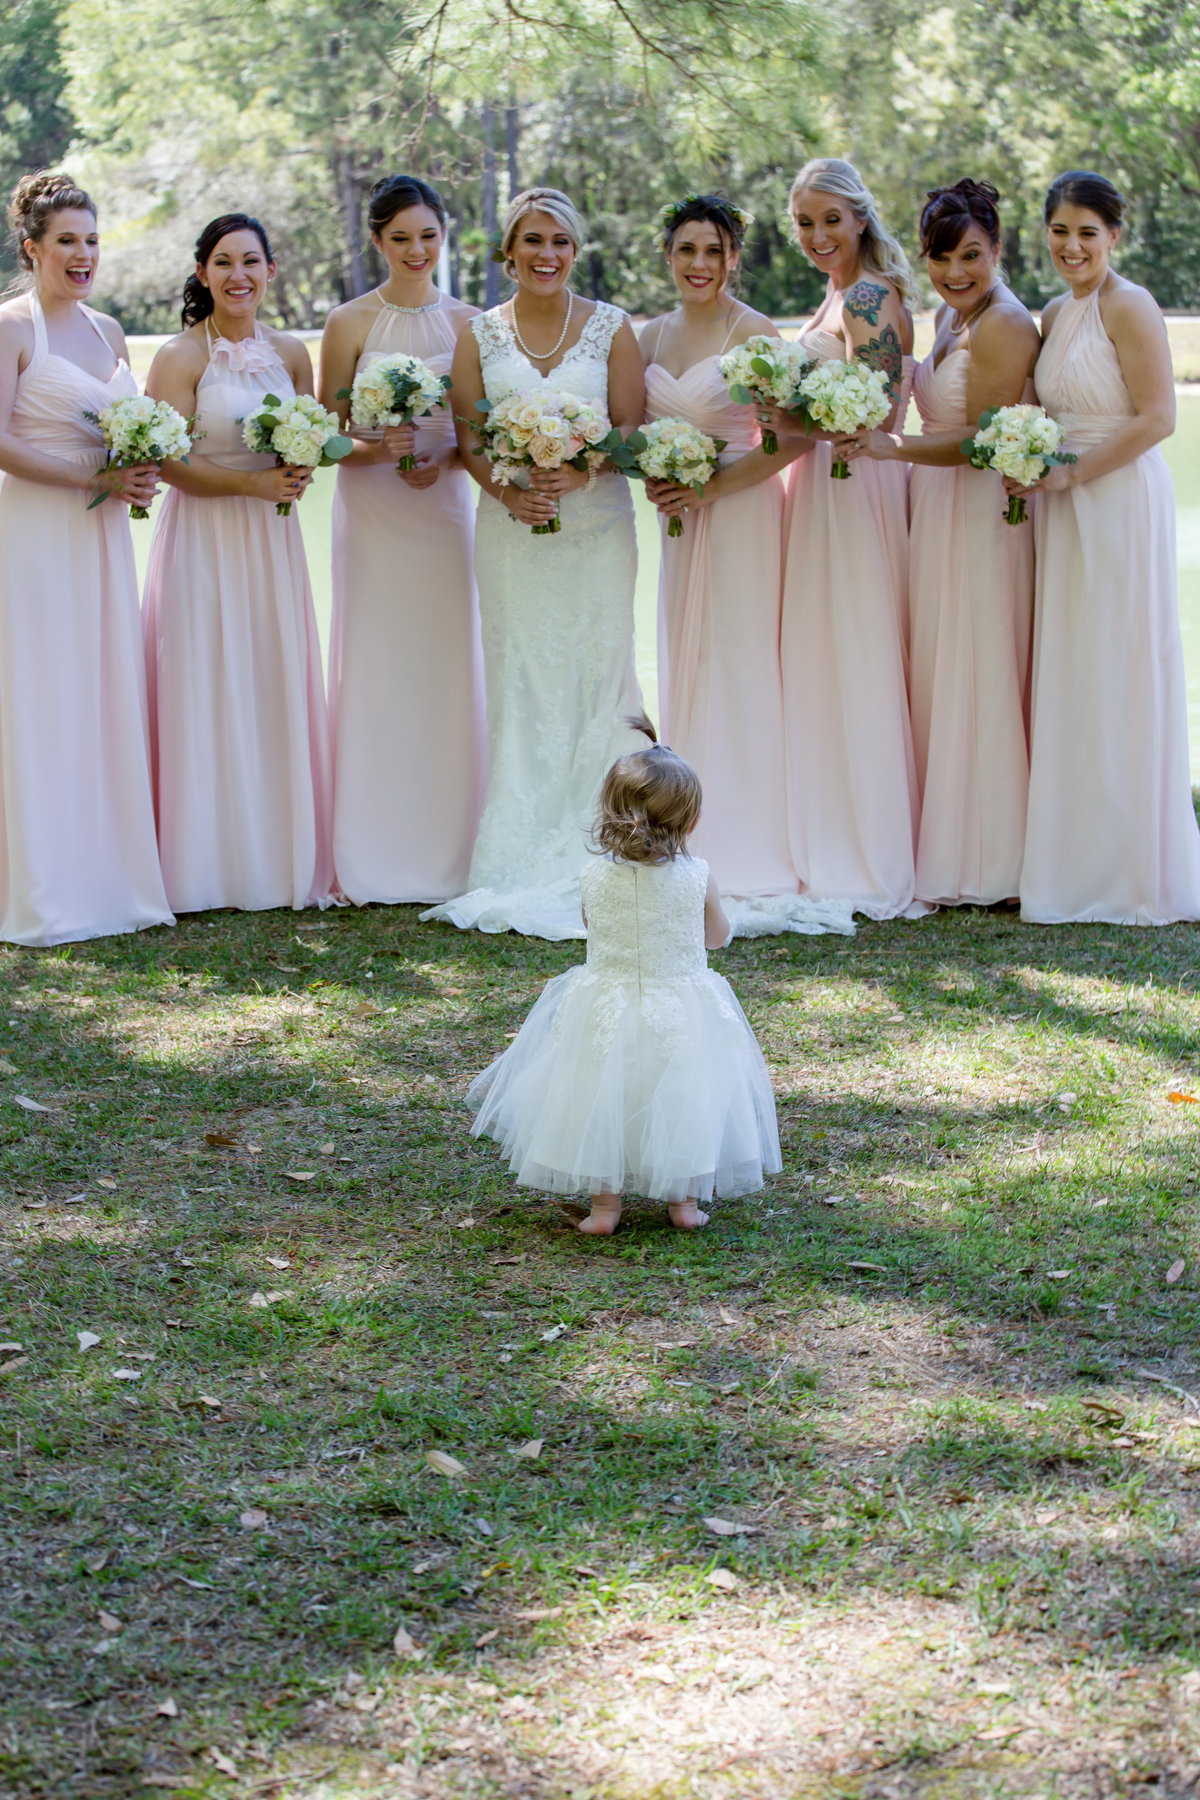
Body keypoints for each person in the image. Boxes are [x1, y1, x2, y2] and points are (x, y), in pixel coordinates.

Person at [421, 186, 645, 940]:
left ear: (575, 252)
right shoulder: (477, 335)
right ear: (508, 252)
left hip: (598, 533)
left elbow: (629, 434)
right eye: (533, 241)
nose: (546, 254)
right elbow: (470, 438)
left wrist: (581, 473)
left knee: (600, 676)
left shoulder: (612, 328)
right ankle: (520, 852)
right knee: (524, 680)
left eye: (560, 242)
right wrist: (510, 494)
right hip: (513, 536)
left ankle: (618, 844)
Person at [467, 718, 781, 1234]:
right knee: (684, 1095)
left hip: (606, 1006)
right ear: (689, 819)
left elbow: (595, 928)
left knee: (599, 1097)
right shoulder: (698, 876)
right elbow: (716, 936)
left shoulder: (593, 875)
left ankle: (604, 1210)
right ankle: (683, 1204)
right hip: (680, 1007)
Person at [639, 192, 853, 940]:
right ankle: (681, 828)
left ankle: (751, 840)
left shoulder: (756, 333)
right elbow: (628, 432)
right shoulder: (646, 337)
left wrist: (709, 487)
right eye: (686, 249)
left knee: (740, 663)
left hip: (740, 517)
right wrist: (658, 479)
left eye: (714, 250)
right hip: (679, 521)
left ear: (734, 258)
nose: (699, 264)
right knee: (688, 664)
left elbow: (792, 440)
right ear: (668, 256)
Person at [835, 178, 1039, 906]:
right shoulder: (957, 317)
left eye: (972, 256)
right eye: (942, 258)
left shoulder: (1006, 322)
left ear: (998, 248)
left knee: (980, 667)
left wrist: (892, 449)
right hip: (942, 513)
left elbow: (981, 438)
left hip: (982, 515)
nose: (956, 272)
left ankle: (994, 861)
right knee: (947, 667)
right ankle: (950, 840)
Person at [1010, 171, 1200, 924]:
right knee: (1074, 667)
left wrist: (1076, 474)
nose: (1072, 245)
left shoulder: (1131, 305)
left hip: (1116, 498)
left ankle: (1128, 864)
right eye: (1060, 230)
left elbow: (1158, 418)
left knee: (1118, 663)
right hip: (1062, 502)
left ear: (1114, 236)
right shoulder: (1055, 313)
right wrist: (1027, 459)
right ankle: (1072, 857)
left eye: (1088, 232)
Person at [0, 171, 172, 946]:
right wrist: (90, 476)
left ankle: (109, 875)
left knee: (99, 689)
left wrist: (137, 472)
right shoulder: (13, 328)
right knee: (40, 696)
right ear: (31, 247)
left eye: (92, 240)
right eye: (66, 241)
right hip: (35, 534)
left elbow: (122, 422)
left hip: (101, 536)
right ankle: (43, 887)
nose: (83, 254)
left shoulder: (106, 332)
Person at [143, 213, 333, 914]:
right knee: (204, 678)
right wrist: (251, 483)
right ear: (202, 274)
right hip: (205, 536)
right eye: (223, 262)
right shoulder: (181, 357)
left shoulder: (291, 354)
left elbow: (309, 439)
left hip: (270, 541)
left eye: (251, 261)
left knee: (266, 675)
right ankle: (203, 866)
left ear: (271, 271)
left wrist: (296, 471)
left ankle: (276, 858)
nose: (238, 275)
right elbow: (166, 462)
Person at [320, 174, 484, 905]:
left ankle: (453, 841)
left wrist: (443, 458)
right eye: (401, 238)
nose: (417, 250)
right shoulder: (349, 323)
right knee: (380, 659)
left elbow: (478, 431)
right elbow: (325, 434)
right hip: (374, 514)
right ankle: (377, 845)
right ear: (378, 242)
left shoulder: (474, 321)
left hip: (443, 508)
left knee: (447, 657)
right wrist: (376, 449)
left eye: (428, 235)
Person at [772, 157, 922, 920]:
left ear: (861, 217)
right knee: (824, 657)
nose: (818, 234)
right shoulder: (837, 295)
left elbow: (883, 418)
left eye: (831, 219)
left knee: (855, 653)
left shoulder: (868, 295)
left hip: (854, 493)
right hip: (823, 492)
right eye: (804, 222)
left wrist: (807, 421)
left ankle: (867, 846)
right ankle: (824, 825)